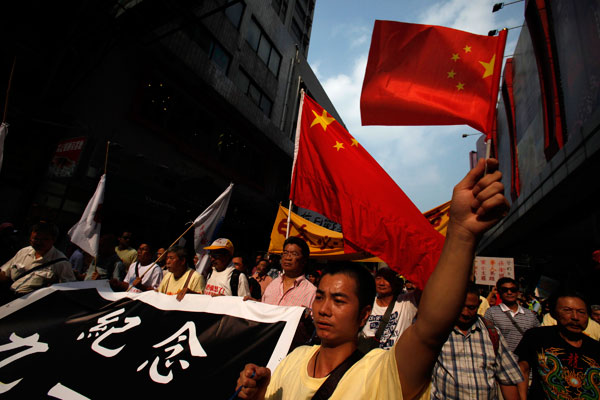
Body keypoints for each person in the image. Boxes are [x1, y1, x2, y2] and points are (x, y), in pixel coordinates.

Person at [235, 158, 509, 400]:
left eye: (339, 300)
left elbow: (431, 329)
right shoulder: (292, 361)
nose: (323, 309)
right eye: (320, 297)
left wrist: (461, 234)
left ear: (365, 314)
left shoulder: (382, 371)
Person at [431, 283, 523, 399]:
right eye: (461, 306)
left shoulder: (492, 333)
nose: (465, 313)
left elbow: (507, 380)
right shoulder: (437, 331)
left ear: (479, 304)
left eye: (471, 308)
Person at [515, 290, 600, 399]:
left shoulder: (596, 348)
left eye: (581, 312)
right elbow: (523, 370)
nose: (575, 317)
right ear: (553, 313)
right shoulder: (537, 336)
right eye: (567, 310)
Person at [0, 222, 75, 300]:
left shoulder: (61, 262)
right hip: (10, 299)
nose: (39, 242)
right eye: (36, 238)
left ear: (53, 240)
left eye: (45, 239)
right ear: (30, 238)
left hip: (33, 304)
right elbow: (5, 274)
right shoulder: (23, 252)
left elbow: (68, 290)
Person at [361, 267, 418, 350]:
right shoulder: (367, 302)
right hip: (369, 359)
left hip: (395, 359)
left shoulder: (407, 302)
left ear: (395, 282)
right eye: (378, 278)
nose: (381, 283)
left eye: (387, 279)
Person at [484, 277, 540, 353]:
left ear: (517, 292)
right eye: (505, 290)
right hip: (501, 361)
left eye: (513, 290)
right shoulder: (491, 313)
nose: (509, 292)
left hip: (524, 362)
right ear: (499, 292)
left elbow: (537, 338)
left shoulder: (530, 315)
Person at [261, 237, 316, 308]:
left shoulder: (311, 292)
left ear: (304, 260)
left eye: (294, 254)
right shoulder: (273, 285)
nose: (288, 258)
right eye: (285, 253)